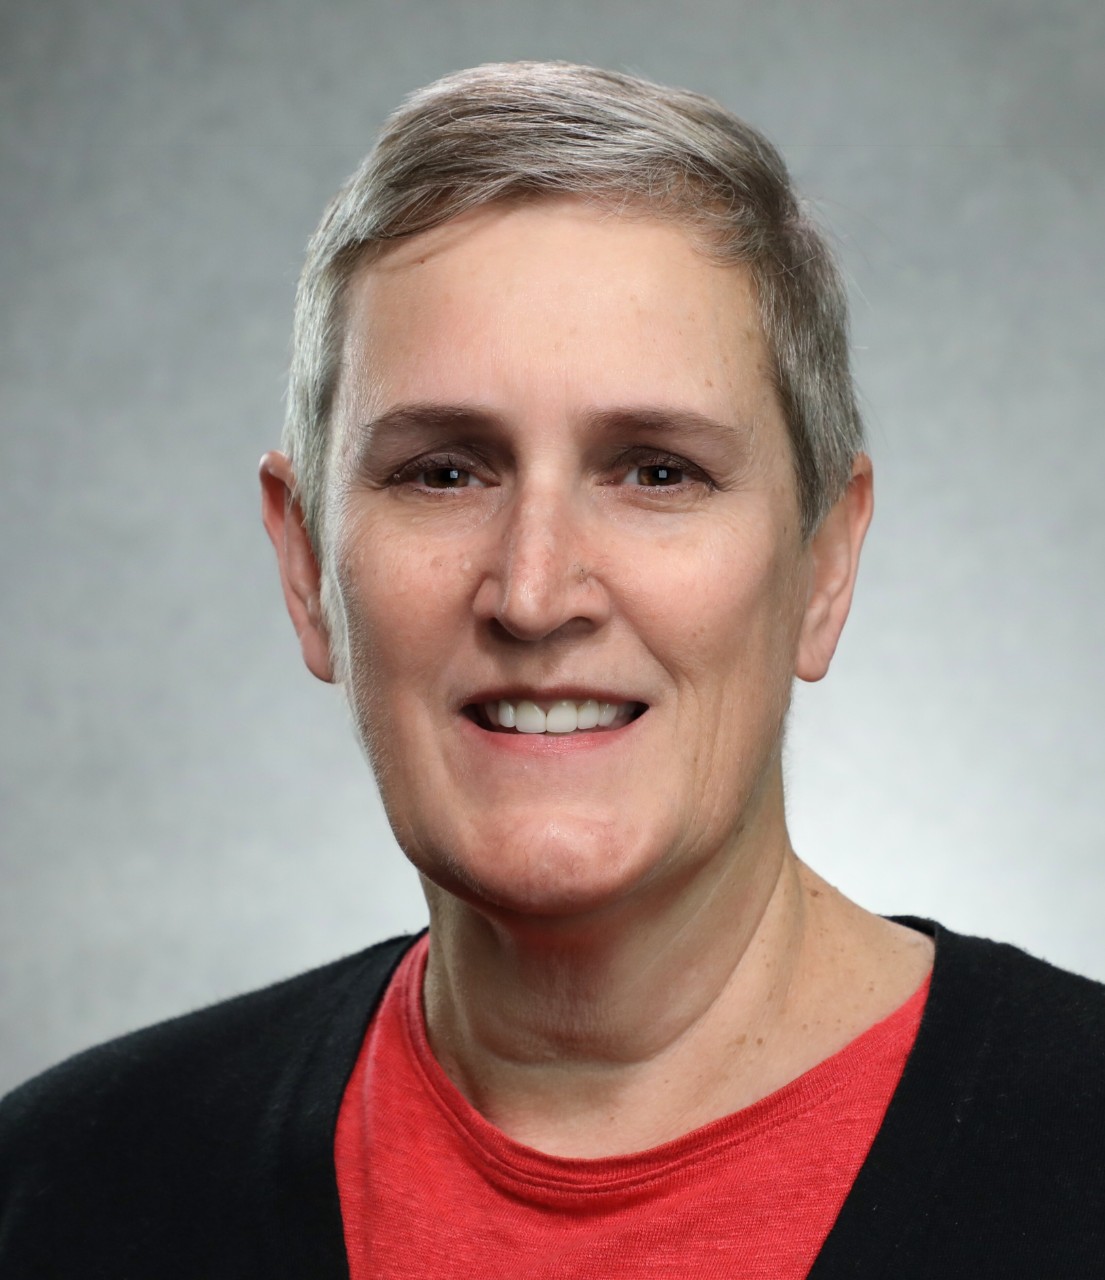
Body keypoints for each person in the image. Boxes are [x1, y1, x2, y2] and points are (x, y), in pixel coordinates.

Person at [1, 61, 1103, 1279]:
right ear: (308, 563)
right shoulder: (57, 1191)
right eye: (444, 471)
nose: (534, 593)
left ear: (823, 564)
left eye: (655, 470)